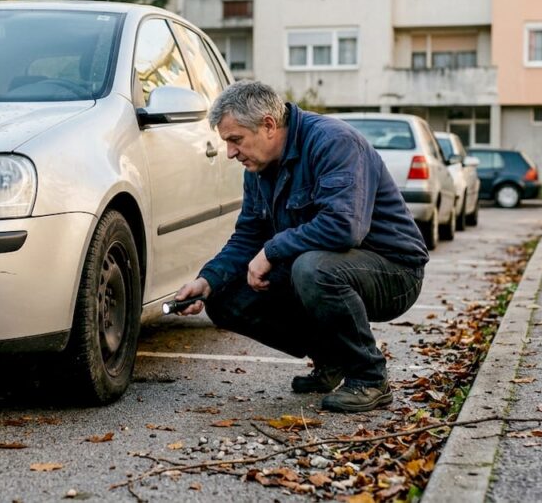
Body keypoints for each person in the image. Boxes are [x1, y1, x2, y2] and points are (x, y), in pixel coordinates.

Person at [174, 81, 429, 413]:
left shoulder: (334, 142)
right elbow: (248, 235)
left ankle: (369, 378)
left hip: (394, 271)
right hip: (325, 266)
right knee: (222, 297)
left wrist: (272, 250)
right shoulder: (258, 166)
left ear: (268, 124)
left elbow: (344, 227)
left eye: (236, 140)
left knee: (312, 268)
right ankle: (331, 357)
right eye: (227, 143)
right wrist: (207, 280)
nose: (230, 153)